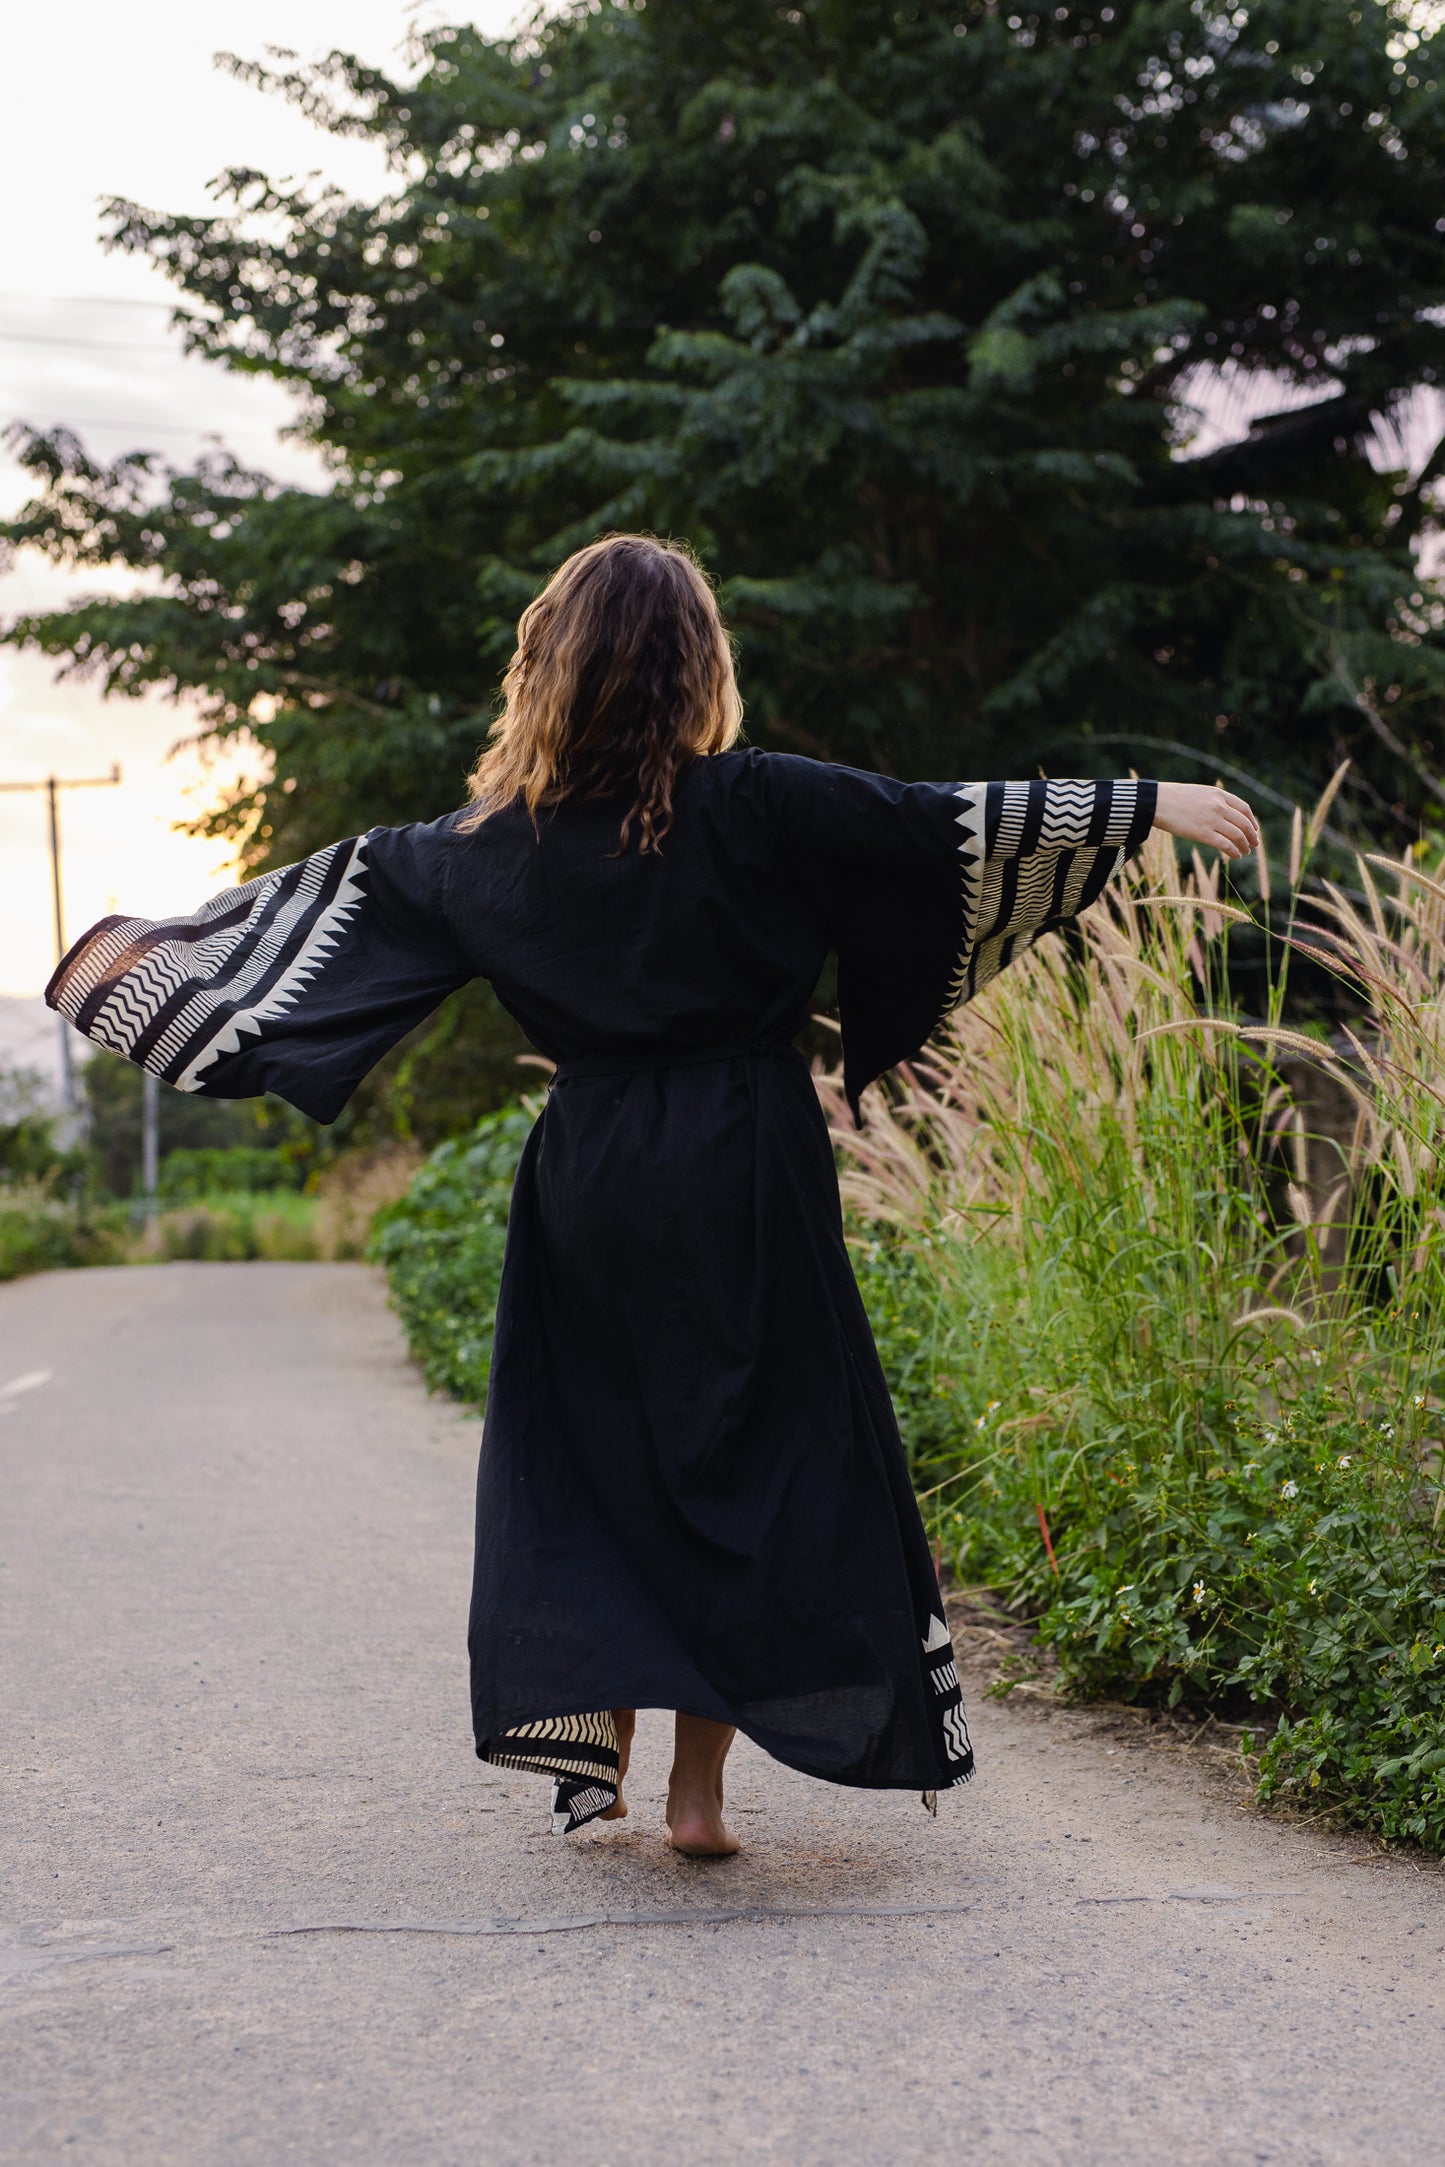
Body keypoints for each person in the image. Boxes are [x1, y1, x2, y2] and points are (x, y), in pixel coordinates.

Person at [47, 533, 1259, 1858]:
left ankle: (607, 1764)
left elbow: (310, 926)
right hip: (745, 1159)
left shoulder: (476, 849)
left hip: (589, 1168)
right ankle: (698, 1795)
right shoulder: (759, 800)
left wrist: (137, 965)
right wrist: (1146, 806)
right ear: (697, 663)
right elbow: (935, 830)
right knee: (750, 1449)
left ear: (547, 669)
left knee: (595, 1454)